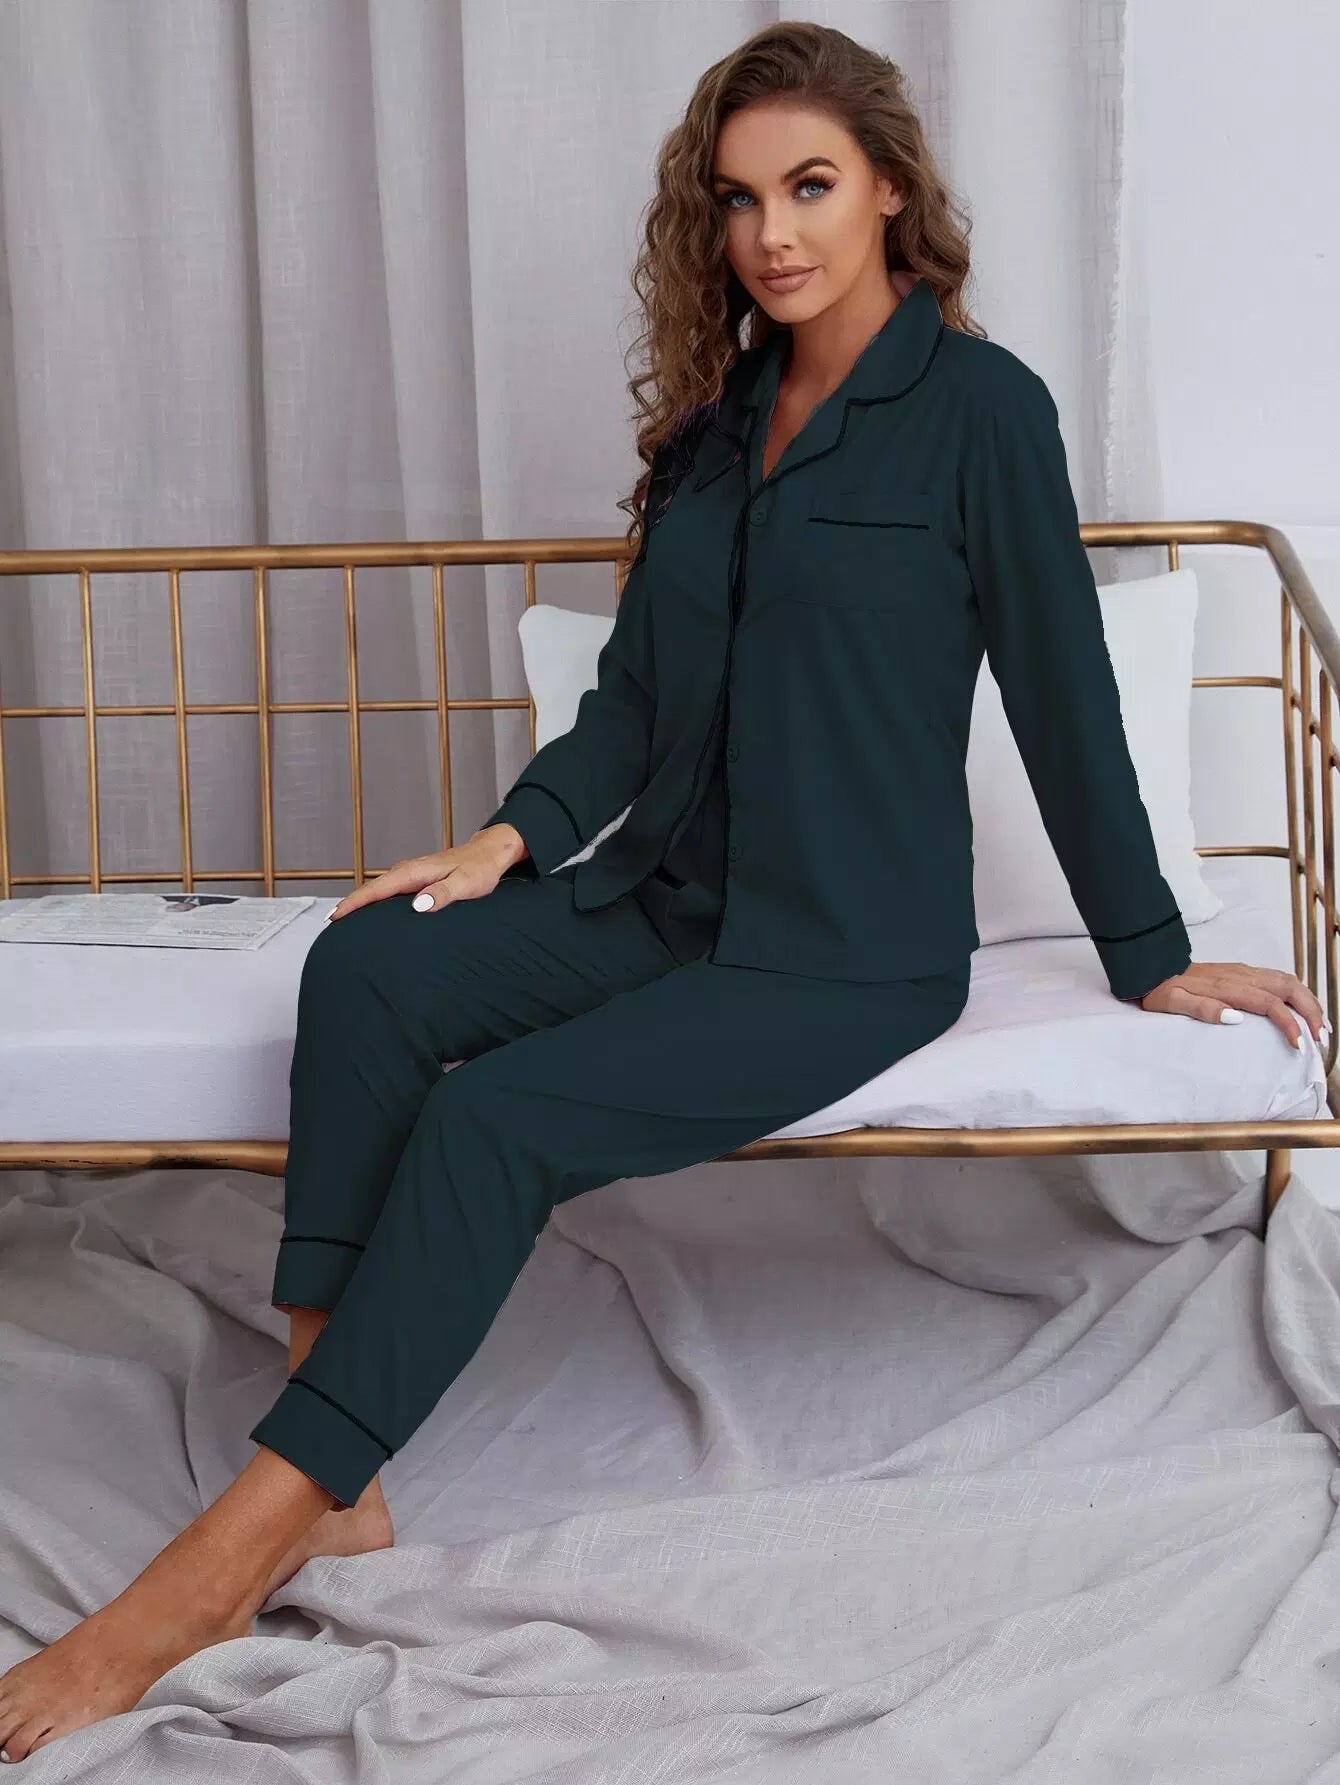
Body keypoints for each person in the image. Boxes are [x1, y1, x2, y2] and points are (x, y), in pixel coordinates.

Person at [0, 18, 1323, 1764]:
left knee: (493, 1120)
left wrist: (1151, 951)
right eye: (738, 200)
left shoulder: (982, 414)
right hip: (664, 891)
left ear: (890, 192)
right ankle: (346, 1473)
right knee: (368, 968)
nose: (772, 233)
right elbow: (633, 697)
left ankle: (219, 1559)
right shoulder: (717, 431)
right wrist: (510, 839)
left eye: (810, 187)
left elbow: (1063, 694)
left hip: (843, 952)